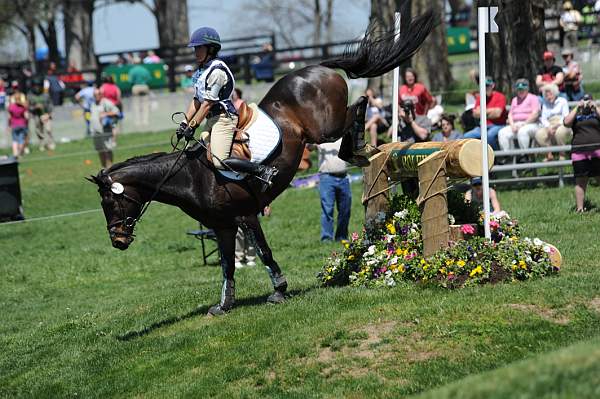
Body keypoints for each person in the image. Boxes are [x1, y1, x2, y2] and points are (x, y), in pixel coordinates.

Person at [177, 27, 278, 191]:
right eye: (195, 48)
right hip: (211, 118)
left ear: (211, 49)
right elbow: (196, 100)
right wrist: (184, 123)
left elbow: (207, 103)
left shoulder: (217, 71)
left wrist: (193, 126)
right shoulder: (201, 71)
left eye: (199, 48)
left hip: (224, 118)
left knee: (220, 160)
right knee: (197, 148)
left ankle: (263, 171)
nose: (195, 52)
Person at [563, 94, 600, 212]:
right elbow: (566, 123)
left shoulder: (596, 112)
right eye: (584, 100)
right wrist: (576, 108)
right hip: (579, 151)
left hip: (597, 150)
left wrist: (596, 107)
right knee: (580, 181)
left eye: (588, 100)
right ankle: (580, 209)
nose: (586, 103)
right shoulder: (576, 113)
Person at [315, 138, 351, 242]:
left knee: (345, 209)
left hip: (344, 178)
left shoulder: (344, 138)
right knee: (328, 209)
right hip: (327, 178)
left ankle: (341, 237)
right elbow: (309, 146)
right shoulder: (321, 138)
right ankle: (326, 238)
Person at [396, 100, 432, 198]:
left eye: (410, 109)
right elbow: (390, 134)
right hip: (405, 164)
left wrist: (411, 121)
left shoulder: (424, 119)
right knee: (409, 196)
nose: (408, 112)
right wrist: (398, 118)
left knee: (424, 195)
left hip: (422, 163)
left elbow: (423, 135)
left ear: (415, 109)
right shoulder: (400, 123)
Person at [463, 76, 507, 150]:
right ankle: (475, 157)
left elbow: (497, 114)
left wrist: (482, 112)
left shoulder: (500, 96)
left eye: (487, 86)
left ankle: (495, 156)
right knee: (466, 136)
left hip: (498, 125)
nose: (486, 88)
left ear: (492, 85)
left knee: (488, 136)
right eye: (483, 86)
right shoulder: (480, 98)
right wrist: (491, 111)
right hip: (482, 127)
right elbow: (475, 114)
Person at [497, 79, 541, 152]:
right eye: (519, 89)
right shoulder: (514, 99)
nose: (521, 91)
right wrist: (512, 125)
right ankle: (509, 155)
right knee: (502, 132)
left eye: (523, 89)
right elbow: (510, 115)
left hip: (531, 123)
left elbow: (535, 114)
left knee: (522, 131)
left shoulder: (533, 98)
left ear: (527, 89)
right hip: (516, 124)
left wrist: (523, 124)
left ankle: (525, 155)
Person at [535, 83, 573, 161]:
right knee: (539, 134)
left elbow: (565, 116)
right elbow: (543, 118)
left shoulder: (562, 101)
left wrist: (556, 126)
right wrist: (549, 127)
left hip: (563, 124)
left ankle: (562, 154)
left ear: (555, 93)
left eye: (550, 94)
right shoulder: (545, 103)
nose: (548, 97)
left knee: (559, 132)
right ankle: (549, 154)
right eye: (546, 95)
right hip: (550, 124)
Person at [89, 88, 119, 168]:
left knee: (107, 149)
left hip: (105, 131)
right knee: (100, 150)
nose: (96, 96)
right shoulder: (93, 104)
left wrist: (105, 114)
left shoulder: (106, 102)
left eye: (98, 94)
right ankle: (104, 168)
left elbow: (116, 112)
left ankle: (110, 168)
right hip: (96, 132)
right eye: (95, 94)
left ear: (101, 94)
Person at [28, 78, 55, 151]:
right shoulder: (30, 95)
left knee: (48, 129)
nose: (37, 87)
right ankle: (42, 144)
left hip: (45, 114)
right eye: (35, 86)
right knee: (39, 131)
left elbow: (51, 105)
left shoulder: (45, 94)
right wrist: (34, 107)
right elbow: (28, 106)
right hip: (36, 115)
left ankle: (50, 143)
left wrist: (49, 114)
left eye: (38, 85)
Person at [128, 56, 152, 127]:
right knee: (145, 105)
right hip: (144, 86)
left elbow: (130, 81)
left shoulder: (132, 70)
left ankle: (138, 122)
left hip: (136, 87)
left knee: (136, 105)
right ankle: (145, 121)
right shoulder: (144, 70)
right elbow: (149, 79)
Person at [7, 84, 29, 158]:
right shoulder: (23, 107)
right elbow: (26, 116)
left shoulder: (11, 107)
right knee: (21, 139)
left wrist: (9, 125)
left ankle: (15, 153)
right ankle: (20, 153)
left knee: (15, 140)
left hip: (14, 124)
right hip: (22, 124)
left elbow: (9, 117)